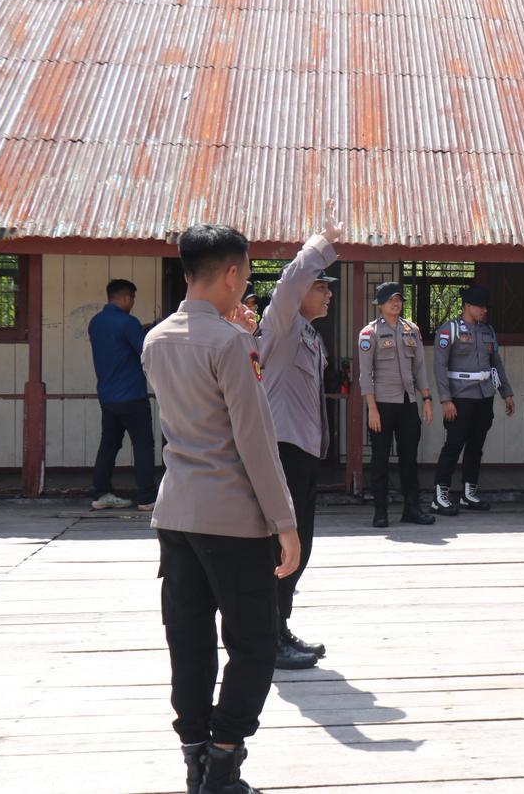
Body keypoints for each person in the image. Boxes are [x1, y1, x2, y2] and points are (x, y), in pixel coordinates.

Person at [142, 224, 301, 794]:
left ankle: (194, 759)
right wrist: (285, 522)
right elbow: (255, 442)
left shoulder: (157, 338)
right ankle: (225, 758)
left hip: (176, 513)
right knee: (254, 642)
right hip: (233, 518)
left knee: (188, 641)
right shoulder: (232, 344)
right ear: (232, 273)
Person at [254, 213, 340, 669]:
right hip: (283, 449)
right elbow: (289, 283)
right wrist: (320, 243)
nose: (328, 292)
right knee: (282, 547)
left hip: (303, 451)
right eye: (321, 285)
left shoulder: (308, 333)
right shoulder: (282, 324)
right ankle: (269, 636)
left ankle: (278, 626)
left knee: (299, 544)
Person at [430, 284, 515, 515]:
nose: (484, 310)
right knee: (454, 445)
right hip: (459, 397)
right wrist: (445, 399)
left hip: (484, 395)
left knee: (476, 446)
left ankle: (469, 493)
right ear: (468, 306)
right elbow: (440, 367)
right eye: (480, 306)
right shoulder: (449, 330)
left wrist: (505, 392)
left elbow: (495, 364)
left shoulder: (488, 331)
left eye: (485, 306)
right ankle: (440, 495)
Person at [359, 282, 435, 528]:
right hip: (381, 404)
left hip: (408, 403)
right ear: (380, 304)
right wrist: (372, 409)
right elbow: (365, 373)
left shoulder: (411, 330)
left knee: (409, 458)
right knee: (380, 458)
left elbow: (420, 368)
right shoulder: (369, 333)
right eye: (390, 299)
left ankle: (411, 508)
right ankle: (380, 511)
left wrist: (426, 399)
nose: (396, 303)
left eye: (399, 299)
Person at [88, 278, 157, 510]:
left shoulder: (96, 322)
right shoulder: (128, 322)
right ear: (126, 297)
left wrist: (140, 330)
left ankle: (101, 493)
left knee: (109, 444)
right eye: (133, 299)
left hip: (108, 396)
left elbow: (117, 345)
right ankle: (147, 497)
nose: (133, 303)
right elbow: (144, 350)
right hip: (132, 395)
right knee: (143, 445)